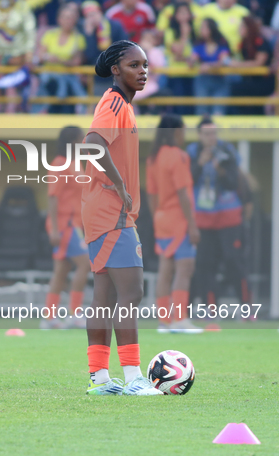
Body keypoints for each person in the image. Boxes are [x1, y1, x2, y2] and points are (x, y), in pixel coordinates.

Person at [82, 40, 161, 396]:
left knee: (106, 297)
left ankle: (100, 379)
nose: (142, 71)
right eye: (134, 65)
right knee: (132, 293)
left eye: (145, 65)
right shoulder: (114, 102)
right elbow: (92, 143)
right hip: (113, 213)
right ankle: (133, 377)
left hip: (101, 211)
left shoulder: (122, 105)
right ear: (116, 70)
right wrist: (119, 185)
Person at [146, 114, 203, 334]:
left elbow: (151, 194)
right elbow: (183, 193)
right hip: (179, 220)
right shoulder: (178, 156)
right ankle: (179, 319)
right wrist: (192, 224)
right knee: (184, 268)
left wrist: (157, 217)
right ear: (177, 132)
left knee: (165, 270)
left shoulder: (153, 158)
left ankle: (164, 321)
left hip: (161, 220)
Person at [186, 117, 251, 312]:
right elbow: (186, 181)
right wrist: (200, 164)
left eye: (214, 133)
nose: (211, 137)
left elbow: (234, 181)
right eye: (207, 133)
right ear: (199, 135)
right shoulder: (192, 152)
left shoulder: (228, 151)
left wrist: (220, 170)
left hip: (229, 216)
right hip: (203, 217)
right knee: (205, 264)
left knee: (233, 260)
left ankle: (247, 308)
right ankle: (211, 309)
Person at [40, 126, 90, 330]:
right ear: (72, 142)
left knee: (61, 270)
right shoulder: (59, 164)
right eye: (81, 139)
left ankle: (49, 317)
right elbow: (53, 197)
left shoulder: (75, 164)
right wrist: (53, 229)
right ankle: (74, 313)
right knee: (85, 263)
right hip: (64, 224)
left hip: (75, 224)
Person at [32, 2, 87, 115]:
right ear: (59, 19)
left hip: (68, 81)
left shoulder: (78, 38)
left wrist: (57, 60)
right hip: (49, 81)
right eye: (65, 17)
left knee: (66, 108)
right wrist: (51, 59)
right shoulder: (50, 35)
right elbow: (40, 56)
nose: (68, 21)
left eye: (71, 18)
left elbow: (77, 62)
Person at [77, 1, 127, 97]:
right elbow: (89, 55)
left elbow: (125, 48)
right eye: (88, 16)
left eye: (94, 14)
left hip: (116, 73)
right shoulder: (84, 31)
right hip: (96, 76)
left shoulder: (115, 26)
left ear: (100, 12)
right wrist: (89, 35)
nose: (92, 18)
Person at [228, 16, 274, 115]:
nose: (239, 29)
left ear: (249, 28)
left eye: (242, 27)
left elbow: (259, 63)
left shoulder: (259, 41)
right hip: (250, 79)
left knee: (236, 89)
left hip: (264, 80)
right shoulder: (243, 44)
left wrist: (238, 65)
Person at [190, 18, 230, 116]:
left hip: (220, 80)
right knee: (202, 110)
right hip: (202, 80)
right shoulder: (199, 45)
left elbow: (224, 61)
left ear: (211, 29)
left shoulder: (222, 44)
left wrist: (209, 66)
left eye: (204, 28)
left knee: (218, 111)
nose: (201, 30)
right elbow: (192, 61)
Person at [163, 2, 196, 115]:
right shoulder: (170, 32)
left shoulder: (195, 31)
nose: (184, 16)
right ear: (175, 15)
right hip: (176, 73)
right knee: (179, 106)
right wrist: (184, 34)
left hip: (192, 73)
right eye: (181, 13)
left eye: (186, 13)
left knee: (192, 105)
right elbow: (178, 53)